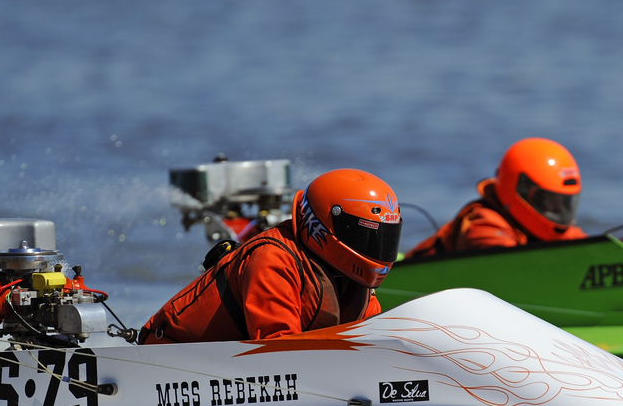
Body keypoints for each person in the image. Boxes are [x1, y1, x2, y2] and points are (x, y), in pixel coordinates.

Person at [140, 169, 401, 343]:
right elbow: (276, 352)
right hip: (171, 368)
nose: (375, 248)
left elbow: (369, 343)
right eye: (367, 237)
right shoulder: (272, 259)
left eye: (383, 239)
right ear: (323, 224)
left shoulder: (354, 280)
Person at [406, 138, 585, 259]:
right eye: (551, 201)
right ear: (521, 191)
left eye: (565, 203)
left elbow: (586, 246)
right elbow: (512, 266)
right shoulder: (485, 225)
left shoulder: (551, 229)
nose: (561, 210)